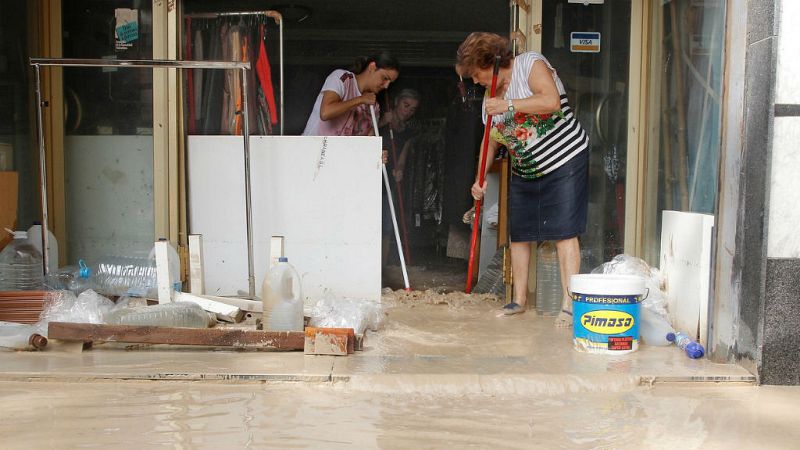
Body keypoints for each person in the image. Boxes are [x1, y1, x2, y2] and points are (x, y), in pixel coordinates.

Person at [457, 32, 589, 326]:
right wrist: (479, 179)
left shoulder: (529, 64)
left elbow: (551, 101)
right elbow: (490, 141)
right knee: (520, 232)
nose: (475, 81)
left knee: (564, 231)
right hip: (526, 167)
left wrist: (508, 106)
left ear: (489, 63)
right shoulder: (490, 99)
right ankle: (518, 300)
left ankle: (570, 304)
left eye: (476, 74)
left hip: (564, 158)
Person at [302, 52, 399, 136]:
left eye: (390, 83)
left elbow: (368, 142)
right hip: (311, 149)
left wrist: (377, 150)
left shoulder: (374, 107)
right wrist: (361, 99)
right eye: (385, 78)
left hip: (338, 152)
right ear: (372, 67)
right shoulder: (343, 78)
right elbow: (325, 113)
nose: (386, 86)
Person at [379, 88, 420, 269]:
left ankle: (382, 266)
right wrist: (381, 121)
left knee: (387, 224)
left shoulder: (407, 133)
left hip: (388, 183)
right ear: (396, 102)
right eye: (406, 105)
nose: (408, 111)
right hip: (370, 178)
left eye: (412, 109)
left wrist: (400, 170)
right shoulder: (380, 119)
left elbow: (401, 160)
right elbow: (364, 137)